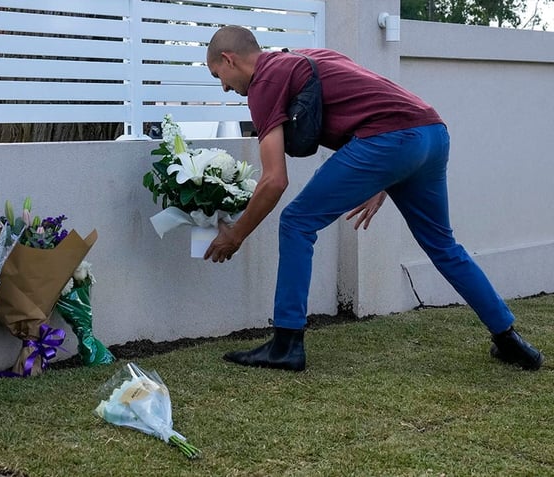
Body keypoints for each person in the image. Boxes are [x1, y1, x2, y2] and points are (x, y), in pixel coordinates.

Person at [203, 25, 543, 372]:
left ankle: (286, 344)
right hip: (431, 133)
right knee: (443, 245)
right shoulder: (307, 56)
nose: (225, 87)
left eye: (220, 75)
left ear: (229, 59)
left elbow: (274, 180)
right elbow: (373, 96)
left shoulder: (264, 83)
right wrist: (384, 177)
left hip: (389, 141)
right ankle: (509, 338)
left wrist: (237, 234)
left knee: (297, 221)